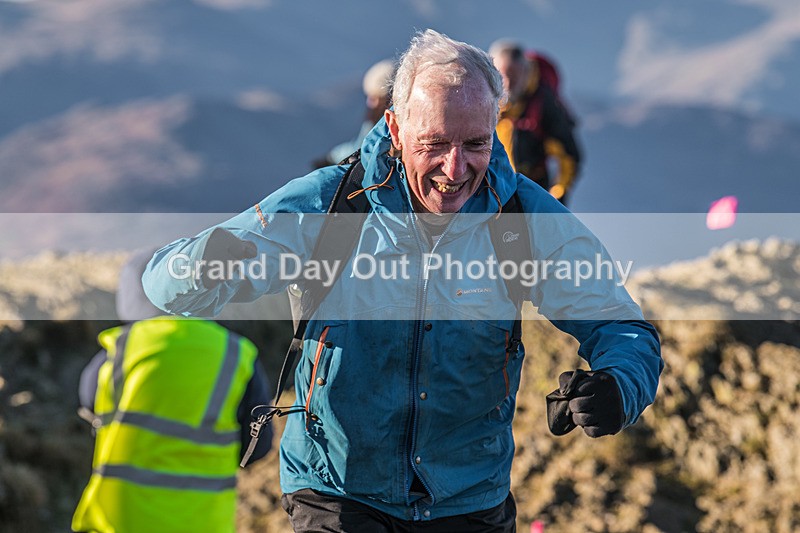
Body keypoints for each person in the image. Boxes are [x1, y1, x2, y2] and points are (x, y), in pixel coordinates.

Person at [142, 29, 662, 532]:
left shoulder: (522, 218)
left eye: (476, 144)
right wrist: (207, 263)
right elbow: (163, 284)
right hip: (337, 493)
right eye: (434, 143)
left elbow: (624, 327)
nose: (455, 169)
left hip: (470, 500)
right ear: (394, 128)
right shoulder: (328, 204)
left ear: (495, 123)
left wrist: (619, 384)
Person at [71, 248, 273, 533]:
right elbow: (258, 446)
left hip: (119, 520)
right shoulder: (235, 354)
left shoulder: (121, 350)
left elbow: (88, 400)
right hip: (203, 523)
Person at [489, 39, 582, 206]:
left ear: (526, 72)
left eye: (514, 77)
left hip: (532, 192)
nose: (509, 84)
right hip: (493, 190)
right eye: (504, 77)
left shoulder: (544, 105)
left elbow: (569, 157)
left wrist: (557, 197)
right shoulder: (487, 101)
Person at [313, 58, 395, 168]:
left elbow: (363, 147)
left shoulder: (383, 122)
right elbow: (359, 144)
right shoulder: (377, 119)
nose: (371, 104)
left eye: (376, 98)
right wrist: (332, 157)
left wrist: (331, 159)